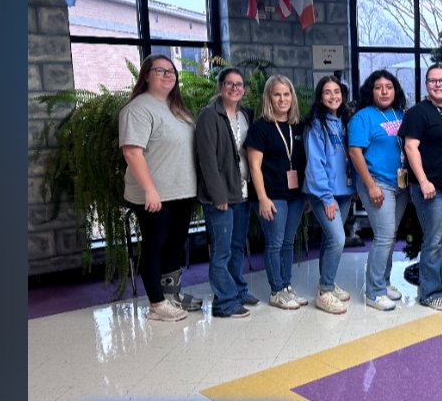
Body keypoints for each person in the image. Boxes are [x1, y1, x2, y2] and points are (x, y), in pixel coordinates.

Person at [118, 54, 199, 322]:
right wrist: (150, 190)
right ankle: (156, 303)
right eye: (160, 70)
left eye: (171, 71)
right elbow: (132, 152)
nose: (167, 75)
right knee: (155, 246)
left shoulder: (176, 108)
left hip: (181, 191)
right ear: (146, 75)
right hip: (155, 194)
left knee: (175, 245)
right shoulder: (138, 109)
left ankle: (172, 295)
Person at [398, 64, 442, 311]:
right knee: (433, 241)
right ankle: (430, 292)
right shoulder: (418, 113)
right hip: (430, 189)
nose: (438, 85)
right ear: (426, 84)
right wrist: (424, 180)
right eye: (433, 81)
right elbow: (410, 148)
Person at [195, 68, 258, 319]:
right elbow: (207, 160)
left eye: (239, 84)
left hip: (242, 192)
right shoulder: (209, 116)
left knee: (237, 246)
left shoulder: (244, 114)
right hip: (221, 196)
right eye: (229, 84)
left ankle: (238, 290)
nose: (234, 88)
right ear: (220, 87)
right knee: (222, 251)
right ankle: (224, 302)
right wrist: (217, 195)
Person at [246, 74, 308, 311]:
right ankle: (276, 291)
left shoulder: (297, 126)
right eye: (277, 94)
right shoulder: (260, 127)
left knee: (288, 243)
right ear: (269, 98)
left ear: (292, 96)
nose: (282, 99)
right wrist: (262, 198)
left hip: (296, 195)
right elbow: (254, 167)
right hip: (272, 195)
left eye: (286, 94)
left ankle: (286, 286)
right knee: (275, 243)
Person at [349, 70, 409, 312]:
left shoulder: (400, 114)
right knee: (384, 237)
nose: (384, 91)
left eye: (389, 87)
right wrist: (371, 185)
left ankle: (383, 283)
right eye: (378, 87)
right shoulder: (363, 117)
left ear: (395, 91)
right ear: (370, 91)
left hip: (400, 184)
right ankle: (373, 292)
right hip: (377, 183)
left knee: (390, 236)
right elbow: (355, 152)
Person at [303, 75, 357, 315]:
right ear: (320, 97)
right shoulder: (316, 124)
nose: (333, 96)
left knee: (329, 239)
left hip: (344, 192)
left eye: (337, 91)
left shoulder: (344, 122)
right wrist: (326, 197)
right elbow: (315, 164)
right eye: (327, 92)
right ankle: (324, 292)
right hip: (324, 193)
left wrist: (353, 189)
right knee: (338, 239)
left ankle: (328, 281)